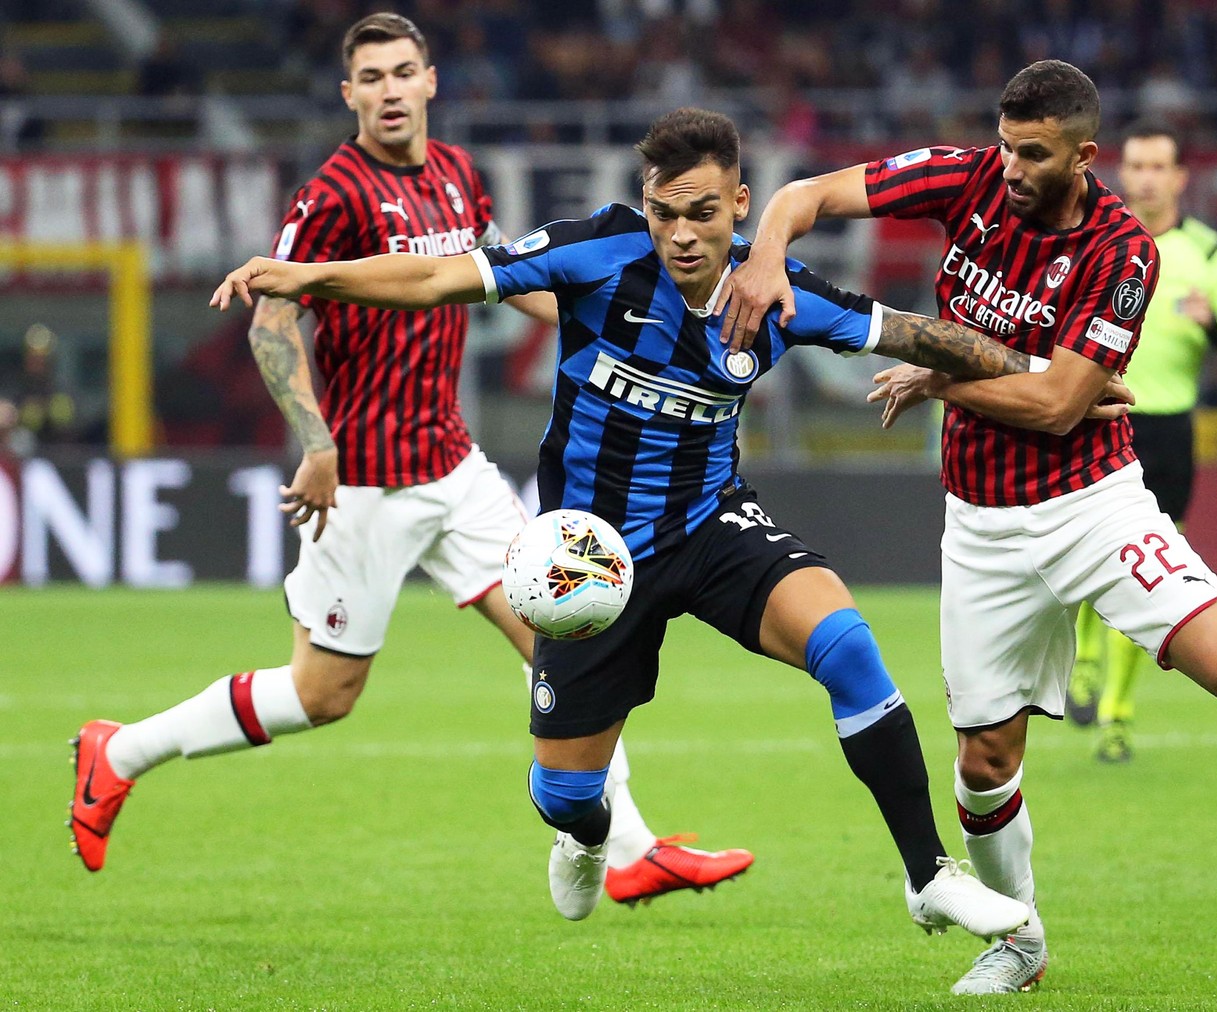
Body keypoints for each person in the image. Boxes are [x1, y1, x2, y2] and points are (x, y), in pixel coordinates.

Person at [208, 107, 1136, 947]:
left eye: (701, 212)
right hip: (589, 554)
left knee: (848, 645)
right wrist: (313, 275)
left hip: (709, 522)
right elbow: (439, 275)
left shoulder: (775, 294)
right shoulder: (594, 255)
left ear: (741, 203)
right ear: (642, 207)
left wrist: (1060, 377)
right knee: (565, 794)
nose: (681, 234)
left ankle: (930, 877)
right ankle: (586, 839)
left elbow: (918, 336)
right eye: (663, 213)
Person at [721, 59, 1217, 995]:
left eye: (1032, 154)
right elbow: (804, 194)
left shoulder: (1125, 252)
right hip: (981, 523)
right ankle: (1021, 942)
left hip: (1093, 504)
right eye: (1005, 144)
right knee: (985, 763)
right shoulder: (966, 177)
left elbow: (1053, 405)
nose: (1010, 167)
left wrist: (937, 370)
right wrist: (762, 257)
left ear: (1083, 155)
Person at [69, 13, 755, 911]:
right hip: (363, 479)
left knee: (566, 627)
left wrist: (623, 338)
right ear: (349, 93)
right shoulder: (335, 193)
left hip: (455, 466)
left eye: (403, 72)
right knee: (322, 694)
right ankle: (118, 753)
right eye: (371, 77)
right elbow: (275, 318)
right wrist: (315, 443)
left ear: (430, 80)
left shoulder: (459, 176)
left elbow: (522, 285)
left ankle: (628, 847)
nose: (390, 90)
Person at [1064, 120, 1217, 763]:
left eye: (1160, 167)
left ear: (1180, 178)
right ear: (1123, 173)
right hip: (1095, 413)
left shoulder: (1214, 257)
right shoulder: (1094, 237)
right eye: (1138, 166)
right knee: (1084, 549)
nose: (1147, 177)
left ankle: (1117, 715)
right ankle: (1086, 662)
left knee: (1144, 571)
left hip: (1167, 428)